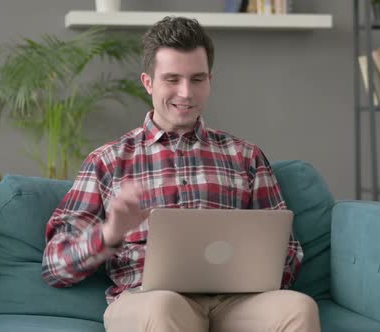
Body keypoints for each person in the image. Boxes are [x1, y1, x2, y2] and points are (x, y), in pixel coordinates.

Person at [42, 16, 321, 332]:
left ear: (210, 81)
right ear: (148, 82)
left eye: (197, 79)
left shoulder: (246, 156)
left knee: (298, 308)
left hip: (236, 302)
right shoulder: (108, 161)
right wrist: (110, 233)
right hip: (148, 299)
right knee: (164, 308)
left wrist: (258, 266)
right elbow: (55, 266)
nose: (186, 93)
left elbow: (289, 251)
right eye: (172, 79)